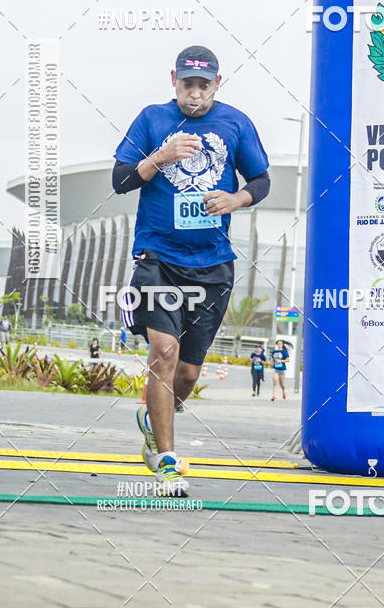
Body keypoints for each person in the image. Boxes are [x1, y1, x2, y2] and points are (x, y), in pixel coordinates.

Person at [113, 46, 270, 495]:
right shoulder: (152, 119)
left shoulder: (236, 123)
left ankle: (153, 417)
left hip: (213, 265)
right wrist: (160, 157)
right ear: (174, 81)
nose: (195, 94)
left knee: (186, 374)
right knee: (163, 352)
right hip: (158, 259)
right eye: (187, 85)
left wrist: (236, 199)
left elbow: (261, 181)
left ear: (217, 84)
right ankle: (167, 462)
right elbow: (120, 181)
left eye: (204, 85)